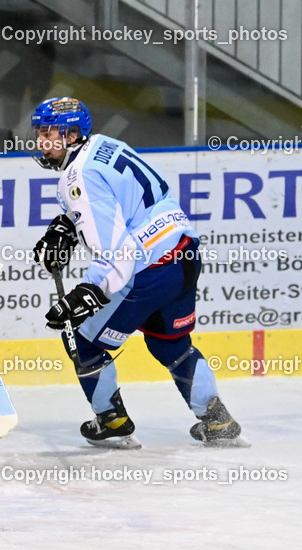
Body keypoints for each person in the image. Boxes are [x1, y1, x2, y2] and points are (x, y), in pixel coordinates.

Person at [30, 97, 244, 449]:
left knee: (82, 339)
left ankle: (112, 422)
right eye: (39, 132)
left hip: (150, 269)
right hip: (184, 253)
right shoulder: (105, 144)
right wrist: (69, 224)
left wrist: (88, 294)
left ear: (71, 135)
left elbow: (120, 255)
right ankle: (217, 420)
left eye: (48, 133)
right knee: (170, 342)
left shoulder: (77, 177)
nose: (41, 141)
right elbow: (125, 202)